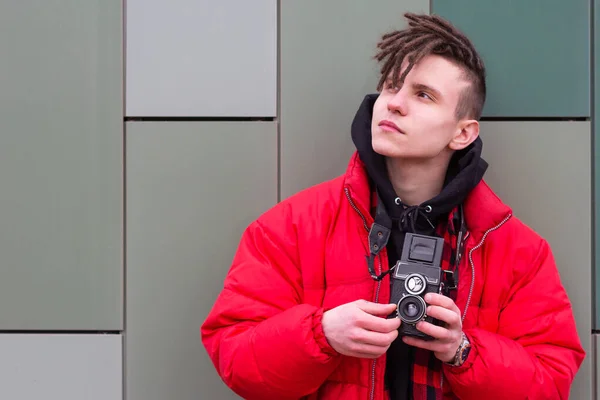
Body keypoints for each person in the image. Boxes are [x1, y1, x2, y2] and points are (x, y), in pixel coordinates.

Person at [201, 13, 585, 400]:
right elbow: (236, 359)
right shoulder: (291, 227)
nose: (394, 104)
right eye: (390, 87)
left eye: (423, 95)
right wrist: (322, 334)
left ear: (463, 132)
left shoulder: (518, 251)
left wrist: (463, 352)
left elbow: (549, 384)